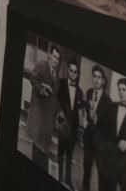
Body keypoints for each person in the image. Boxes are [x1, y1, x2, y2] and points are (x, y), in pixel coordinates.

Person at [28, 46, 60, 170]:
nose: (56, 60)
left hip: (48, 123)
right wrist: (41, 88)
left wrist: (58, 116)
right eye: (54, 56)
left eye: (58, 58)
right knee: (36, 153)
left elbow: (55, 99)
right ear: (49, 55)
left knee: (43, 154)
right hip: (39, 118)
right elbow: (32, 78)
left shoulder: (56, 77)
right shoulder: (42, 65)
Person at [83, 65, 113, 191]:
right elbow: (86, 111)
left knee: (102, 175)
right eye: (94, 76)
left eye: (99, 77)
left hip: (100, 144)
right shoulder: (89, 92)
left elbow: (109, 126)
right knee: (86, 169)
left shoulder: (108, 101)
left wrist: (97, 120)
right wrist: (87, 119)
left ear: (103, 81)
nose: (96, 80)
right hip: (89, 140)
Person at [57, 60, 86, 189]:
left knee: (69, 157)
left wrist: (78, 132)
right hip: (62, 127)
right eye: (71, 71)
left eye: (75, 72)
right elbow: (56, 104)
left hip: (73, 131)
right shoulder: (61, 84)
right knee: (60, 154)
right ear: (68, 70)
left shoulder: (79, 91)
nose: (73, 74)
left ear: (78, 74)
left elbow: (79, 113)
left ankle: (68, 181)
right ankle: (57, 177)